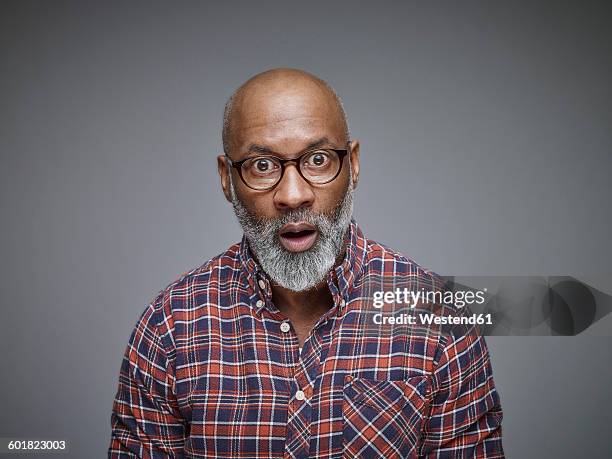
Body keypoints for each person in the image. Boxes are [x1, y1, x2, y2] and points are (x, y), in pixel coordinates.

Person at [109, 68, 504, 458]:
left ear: (353, 164)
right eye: (262, 165)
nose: (293, 195)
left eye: (317, 160)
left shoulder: (441, 321)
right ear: (227, 179)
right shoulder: (170, 328)